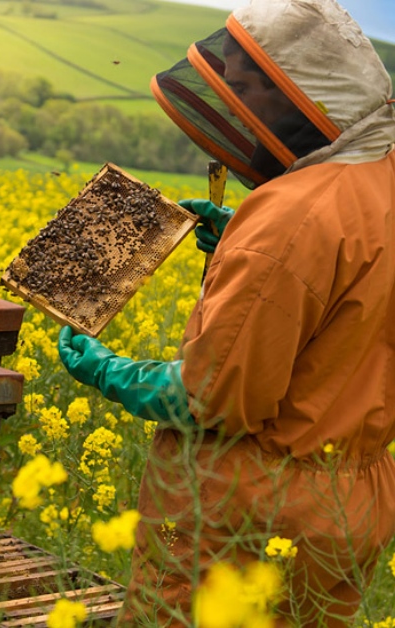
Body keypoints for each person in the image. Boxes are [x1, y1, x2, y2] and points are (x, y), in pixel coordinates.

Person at [57, 0, 395, 625]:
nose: (233, 107)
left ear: (297, 95)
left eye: (242, 89)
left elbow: (213, 398)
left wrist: (108, 371)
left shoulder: (294, 216)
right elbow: (346, 306)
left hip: (244, 519)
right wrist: (244, 241)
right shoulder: (382, 179)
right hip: (347, 506)